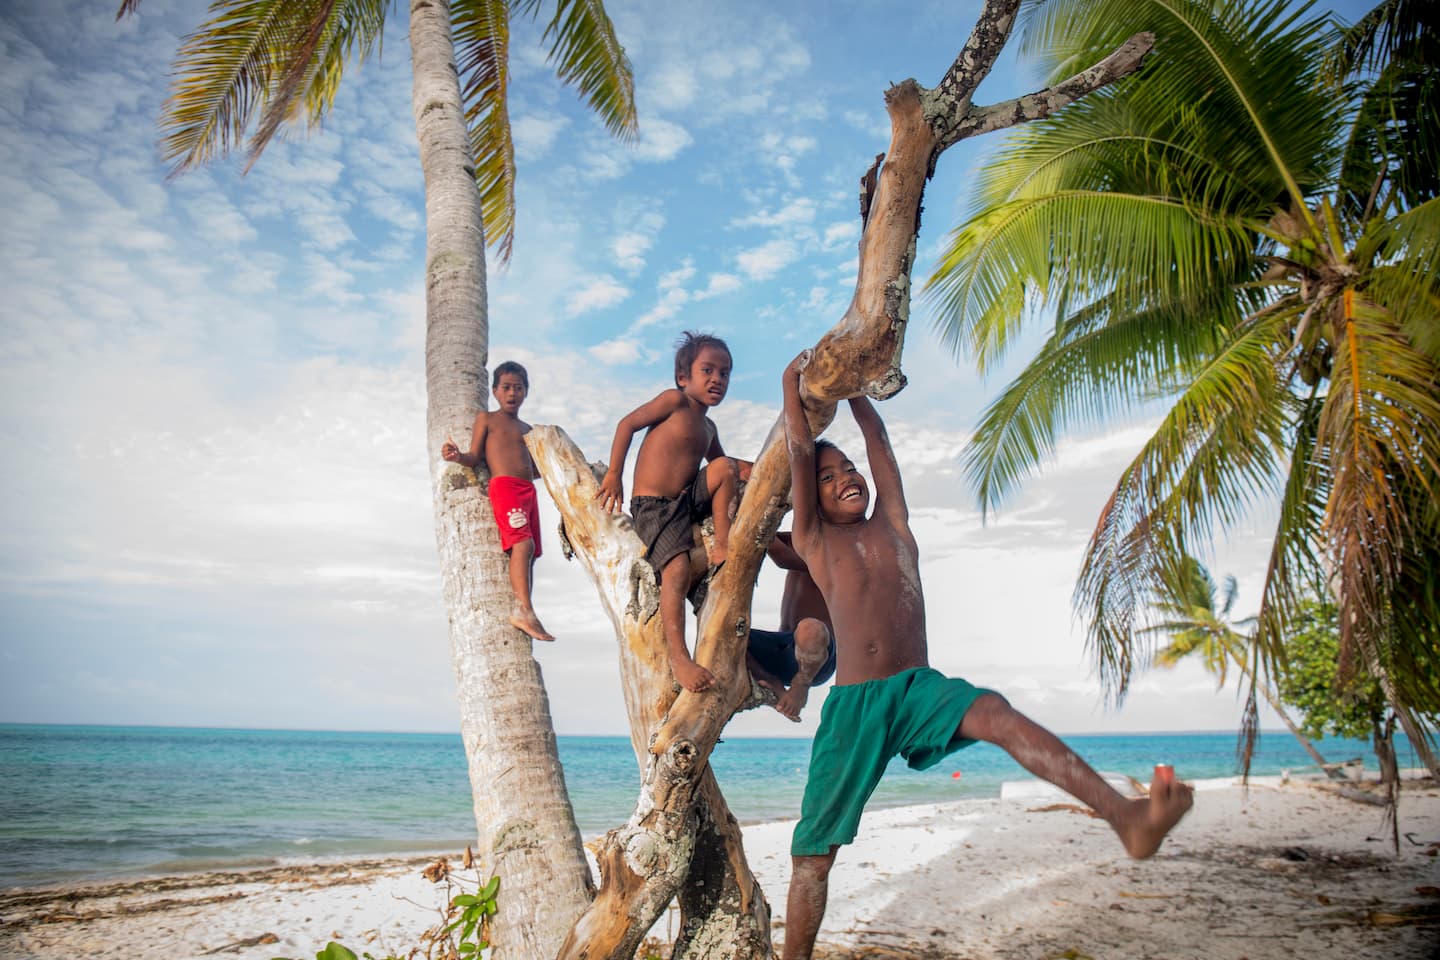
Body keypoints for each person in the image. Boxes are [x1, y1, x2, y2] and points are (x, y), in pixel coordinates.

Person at [777, 352, 1194, 960]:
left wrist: (857, 394)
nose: (845, 476)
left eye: (848, 469)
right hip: (854, 707)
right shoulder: (814, 541)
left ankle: (1126, 818)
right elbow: (796, 456)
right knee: (813, 855)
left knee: (996, 713)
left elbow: (881, 448)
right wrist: (791, 388)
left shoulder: (894, 526)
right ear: (808, 500)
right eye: (829, 474)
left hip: (917, 687)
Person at [597, 331, 751, 693]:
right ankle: (680, 658)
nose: (718, 379)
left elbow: (723, 466)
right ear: (684, 378)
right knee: (677, 569)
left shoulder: (709, 427)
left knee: (726, 468)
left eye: (725, 373)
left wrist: (765, 466)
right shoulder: (674, 402)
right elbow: (627, 425)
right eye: (708, 370)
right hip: (652, 507)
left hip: (685, 502)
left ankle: (722, 544)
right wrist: (614, 473)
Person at [441, 361, 554, 642]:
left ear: (526, 392)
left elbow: (534, 469)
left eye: (518, 388)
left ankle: (526, 606)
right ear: (495, 391)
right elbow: (475, 456)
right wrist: (457, 456)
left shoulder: (529, 430)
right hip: (505, 488)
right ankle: (523, 610)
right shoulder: (487, 419)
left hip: (528, 491)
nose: (512, 393)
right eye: (506, 387)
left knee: (530, 554)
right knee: (522, 543)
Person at [748, 532, 835, 721]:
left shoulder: (839, 549)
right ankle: (771, 682)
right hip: (784, 650)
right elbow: (771, 537)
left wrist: (754, 526)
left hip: (818, 655)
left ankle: (800, 685)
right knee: (726, 634)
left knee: (809, 628)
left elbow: (784, 558)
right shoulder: (800, 538)